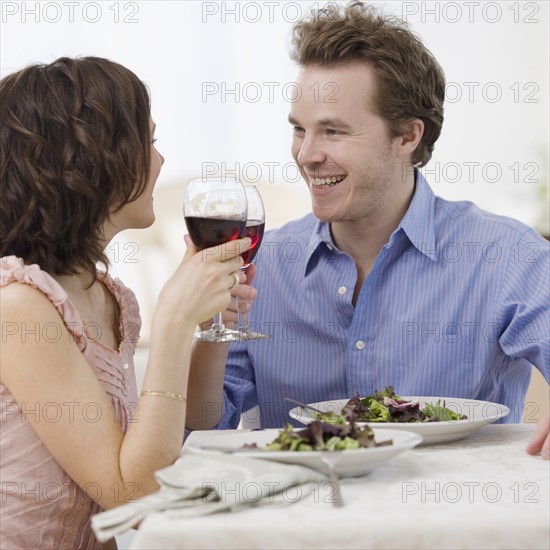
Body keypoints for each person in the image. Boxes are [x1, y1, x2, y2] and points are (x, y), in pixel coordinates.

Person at [186, 2, 549, 459]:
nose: (306, 154)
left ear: (407, 136)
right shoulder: (264, 265)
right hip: (295, 522)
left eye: (334, 132)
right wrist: (205, 330)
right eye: (300, 129)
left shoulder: (506, 255)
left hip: (454, 522)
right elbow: (202, 429)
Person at [0, 56, 250, 549]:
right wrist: (175, 318)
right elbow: (135, 497)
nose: (160, 161)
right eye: (149, 142)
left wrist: (213, 321)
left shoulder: (109, 297)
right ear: (93, 159)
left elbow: (193, 418)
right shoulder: (19, 309)